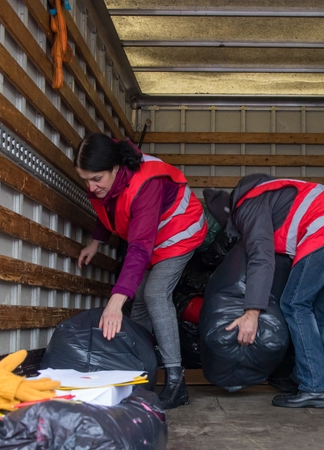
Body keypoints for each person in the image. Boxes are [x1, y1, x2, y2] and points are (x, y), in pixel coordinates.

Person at [203, 174, 324, 409]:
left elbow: (261, 258)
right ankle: (310, 379)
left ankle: (315, 387)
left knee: (294, 304)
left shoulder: (248, 206)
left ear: (233, 217)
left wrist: (252, 313)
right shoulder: (270, 195)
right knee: (316, 309)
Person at [75, 132, 207, 409]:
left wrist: (114, 301)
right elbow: (108, 209)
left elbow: (138, 249)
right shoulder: (103, 184)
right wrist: (96, 243)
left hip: (179, 231)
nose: (90, 187)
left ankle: (175, 381)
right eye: (84, 179)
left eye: (96, 179)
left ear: (115, 168)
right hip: (150, 237)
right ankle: (137, 374)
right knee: (139, 307)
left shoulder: (146, 183)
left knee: (156, 293)